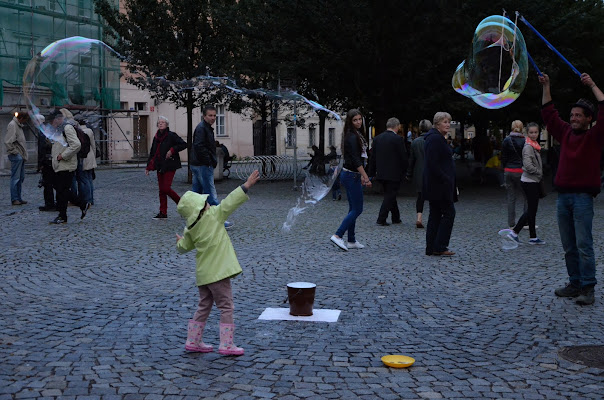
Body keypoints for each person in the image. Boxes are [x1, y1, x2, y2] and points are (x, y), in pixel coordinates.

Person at [176, 170, 260, 356]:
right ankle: (227, 344)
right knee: (226, 306)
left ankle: (193, 340)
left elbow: (184, 247)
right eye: (204, 202)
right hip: (218, 273)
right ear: (202, 207)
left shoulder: (190, 228)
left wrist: (179, 242)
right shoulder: (215, 215)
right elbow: (230, 202)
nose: (207, 203)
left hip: (203, 275)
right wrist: (246, 185)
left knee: (204, 305)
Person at [540, 72, 604, 306]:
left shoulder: (595, 137)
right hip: (563, 197)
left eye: (579, 115)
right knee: (569, 246)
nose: (574, 118)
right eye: (572, 115)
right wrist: (547, 85)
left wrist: (592, 84)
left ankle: (588, 287)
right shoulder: (565, 133)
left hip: (582, 198)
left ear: (589, 119)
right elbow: (549, 113)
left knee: (583, 244)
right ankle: (574, 283)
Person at [330, 109, 372, 251]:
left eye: (360, 119)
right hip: (351, 175)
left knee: (352, 209)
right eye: (355, 120)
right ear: (350, 121)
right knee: (357, 209)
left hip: (352, 175)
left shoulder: (356, 134)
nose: (358, 122)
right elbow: (355, 160)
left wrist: (361, 175)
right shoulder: (352, 137)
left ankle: (351, 240)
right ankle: (338, 235)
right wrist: (365, 176)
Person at [501, 122, 546, 245]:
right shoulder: (528, 147)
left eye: (536, 132)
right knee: (531, 209)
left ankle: (533, 237)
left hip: (530, 179)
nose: (534, 134)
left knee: (532, 209)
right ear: (527, 133)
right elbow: (528, 165)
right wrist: (539, 172)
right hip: (529, 181)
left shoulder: (534, 145)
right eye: (531, 132)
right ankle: (514, 232)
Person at [191, 106, 233, 228]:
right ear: (204, 116)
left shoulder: (205, 128)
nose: (213, 118)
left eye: (215, 115)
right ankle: (220, 220)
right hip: (202, 165)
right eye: (210, 115)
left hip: (198, 163)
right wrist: (209, 161)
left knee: (197, 194)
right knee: (210, 193)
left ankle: (194, 218)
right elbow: (199, 146)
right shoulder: (202, 128)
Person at [423, 112, 456, 256]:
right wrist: (446, 178)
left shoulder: (436, 138)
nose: (448, 124)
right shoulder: (435, 139)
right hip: (439, 184)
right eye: (444, 122)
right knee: (449, 213)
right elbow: (433, 163)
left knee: (435, 214)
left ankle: (432, 247)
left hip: (437, 184)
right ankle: (440, 246)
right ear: (437, 124)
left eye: (449, 122)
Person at [50, 109, 90, 224]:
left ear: (58, 119)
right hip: (60, 165)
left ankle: (63, 216)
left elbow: (76, 145)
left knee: (63, 191)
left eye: (53, 120)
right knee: (63, 190)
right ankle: (82, 205)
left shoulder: (67, 128)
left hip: (66, 165)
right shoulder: (60, 129)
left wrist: (62, 156)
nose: (52, 123)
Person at [145, 116, 187, 220]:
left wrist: (172, 150)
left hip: (170, 164)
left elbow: (183, 144)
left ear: (166, 124)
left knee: (166, 188)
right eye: (159, 122)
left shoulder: (171, 135)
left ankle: (182, 204)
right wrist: (148, 166)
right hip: (160, 165)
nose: (161, 124)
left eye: (163, 122)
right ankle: (163, 212)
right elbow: (152, 152)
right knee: (161, 190)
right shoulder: (156, 137)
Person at [368, 117, 408, 226]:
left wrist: (371, 174)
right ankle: (381, 218)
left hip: (381, 173)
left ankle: (396, 217)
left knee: (390, 195)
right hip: (394, 173)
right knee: (390, 195)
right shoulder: (398, 140)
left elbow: (373, 158)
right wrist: (405, 171)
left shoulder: (377, 139)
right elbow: (403, 157)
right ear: (397, 126)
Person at [501, 120, 527, 228]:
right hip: (521, 171)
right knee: (527, 197)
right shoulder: (525, 140)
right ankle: (525, 221)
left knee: (511, 198)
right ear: (522, 128)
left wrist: (505, 168)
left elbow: (503, 157)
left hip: (508, 171)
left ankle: (511, 224)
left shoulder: (507, 140)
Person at [406, 119, 431, 228]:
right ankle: (433, 219)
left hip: (419, 172)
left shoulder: (415, 142)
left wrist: (409, 174)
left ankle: (419, 218)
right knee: (433, 197)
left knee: (420, 197)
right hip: (431, 173)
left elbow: (411, 160)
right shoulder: (433, 140)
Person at [5, 112, 30, 205]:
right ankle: (15, 198)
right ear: (21, 118)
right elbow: (8, 141)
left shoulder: (18, 125)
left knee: (20, 177)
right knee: (15, 178)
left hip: (21, 155)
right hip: (17, 155)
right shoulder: (13, 125)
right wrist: (16, 153)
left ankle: (18, 198)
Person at [74, 114, 96, 206]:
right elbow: (93, 145)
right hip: (90, 155)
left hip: (82, 157)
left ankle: (87, 199)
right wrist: (94, 155)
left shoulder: (78, 131)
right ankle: (91, 199)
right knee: (89, 178)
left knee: (84, 179)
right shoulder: (89, 130)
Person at [37, 115, 57, 211]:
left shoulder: (43, 132)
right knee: (56, 183)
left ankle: (49, 204)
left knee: (47, 184)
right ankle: (56, 202)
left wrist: (40, 164)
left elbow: (41, 149)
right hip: (54, 159)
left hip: (46, 161)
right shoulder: (53, 131)